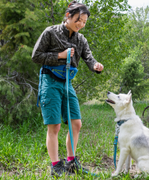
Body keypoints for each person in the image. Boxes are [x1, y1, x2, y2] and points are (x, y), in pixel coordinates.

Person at [32, 1, 103, 177]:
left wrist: (95, 65)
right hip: (50, 81)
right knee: (54, 126)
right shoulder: (50, 32)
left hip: (67, 83)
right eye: (78, 19)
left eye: (84, 22)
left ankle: (71, 163)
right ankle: (56, 166)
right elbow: (36, 56)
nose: (81, 24)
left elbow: (89, 57)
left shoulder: (81, 39)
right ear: (68, 16)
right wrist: (60, 56)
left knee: (76, 124)